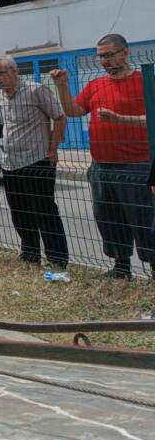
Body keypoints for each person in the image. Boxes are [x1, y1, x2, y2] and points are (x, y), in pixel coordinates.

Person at [51, 34, 153, 279]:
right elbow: (73, 111)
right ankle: (121, 267)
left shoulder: (146, 82)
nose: (105, 61)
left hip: (137, 167)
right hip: (101, 166)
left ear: (125, 52)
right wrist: (62, 86)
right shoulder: (96, 85)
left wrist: (120, 119)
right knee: (109, 219)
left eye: (109, 55)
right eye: (101, 56)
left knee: (145, 222)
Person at [0, 56, 69, 270]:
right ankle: (30, 253)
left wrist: (53, 150)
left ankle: (57, 258)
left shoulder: (36, 90)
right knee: (19, 211)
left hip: (37, 160)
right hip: (10, 163)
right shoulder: (0, 96)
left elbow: (60, 118)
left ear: (15, 71)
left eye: (1, 73)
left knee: (44, 211)